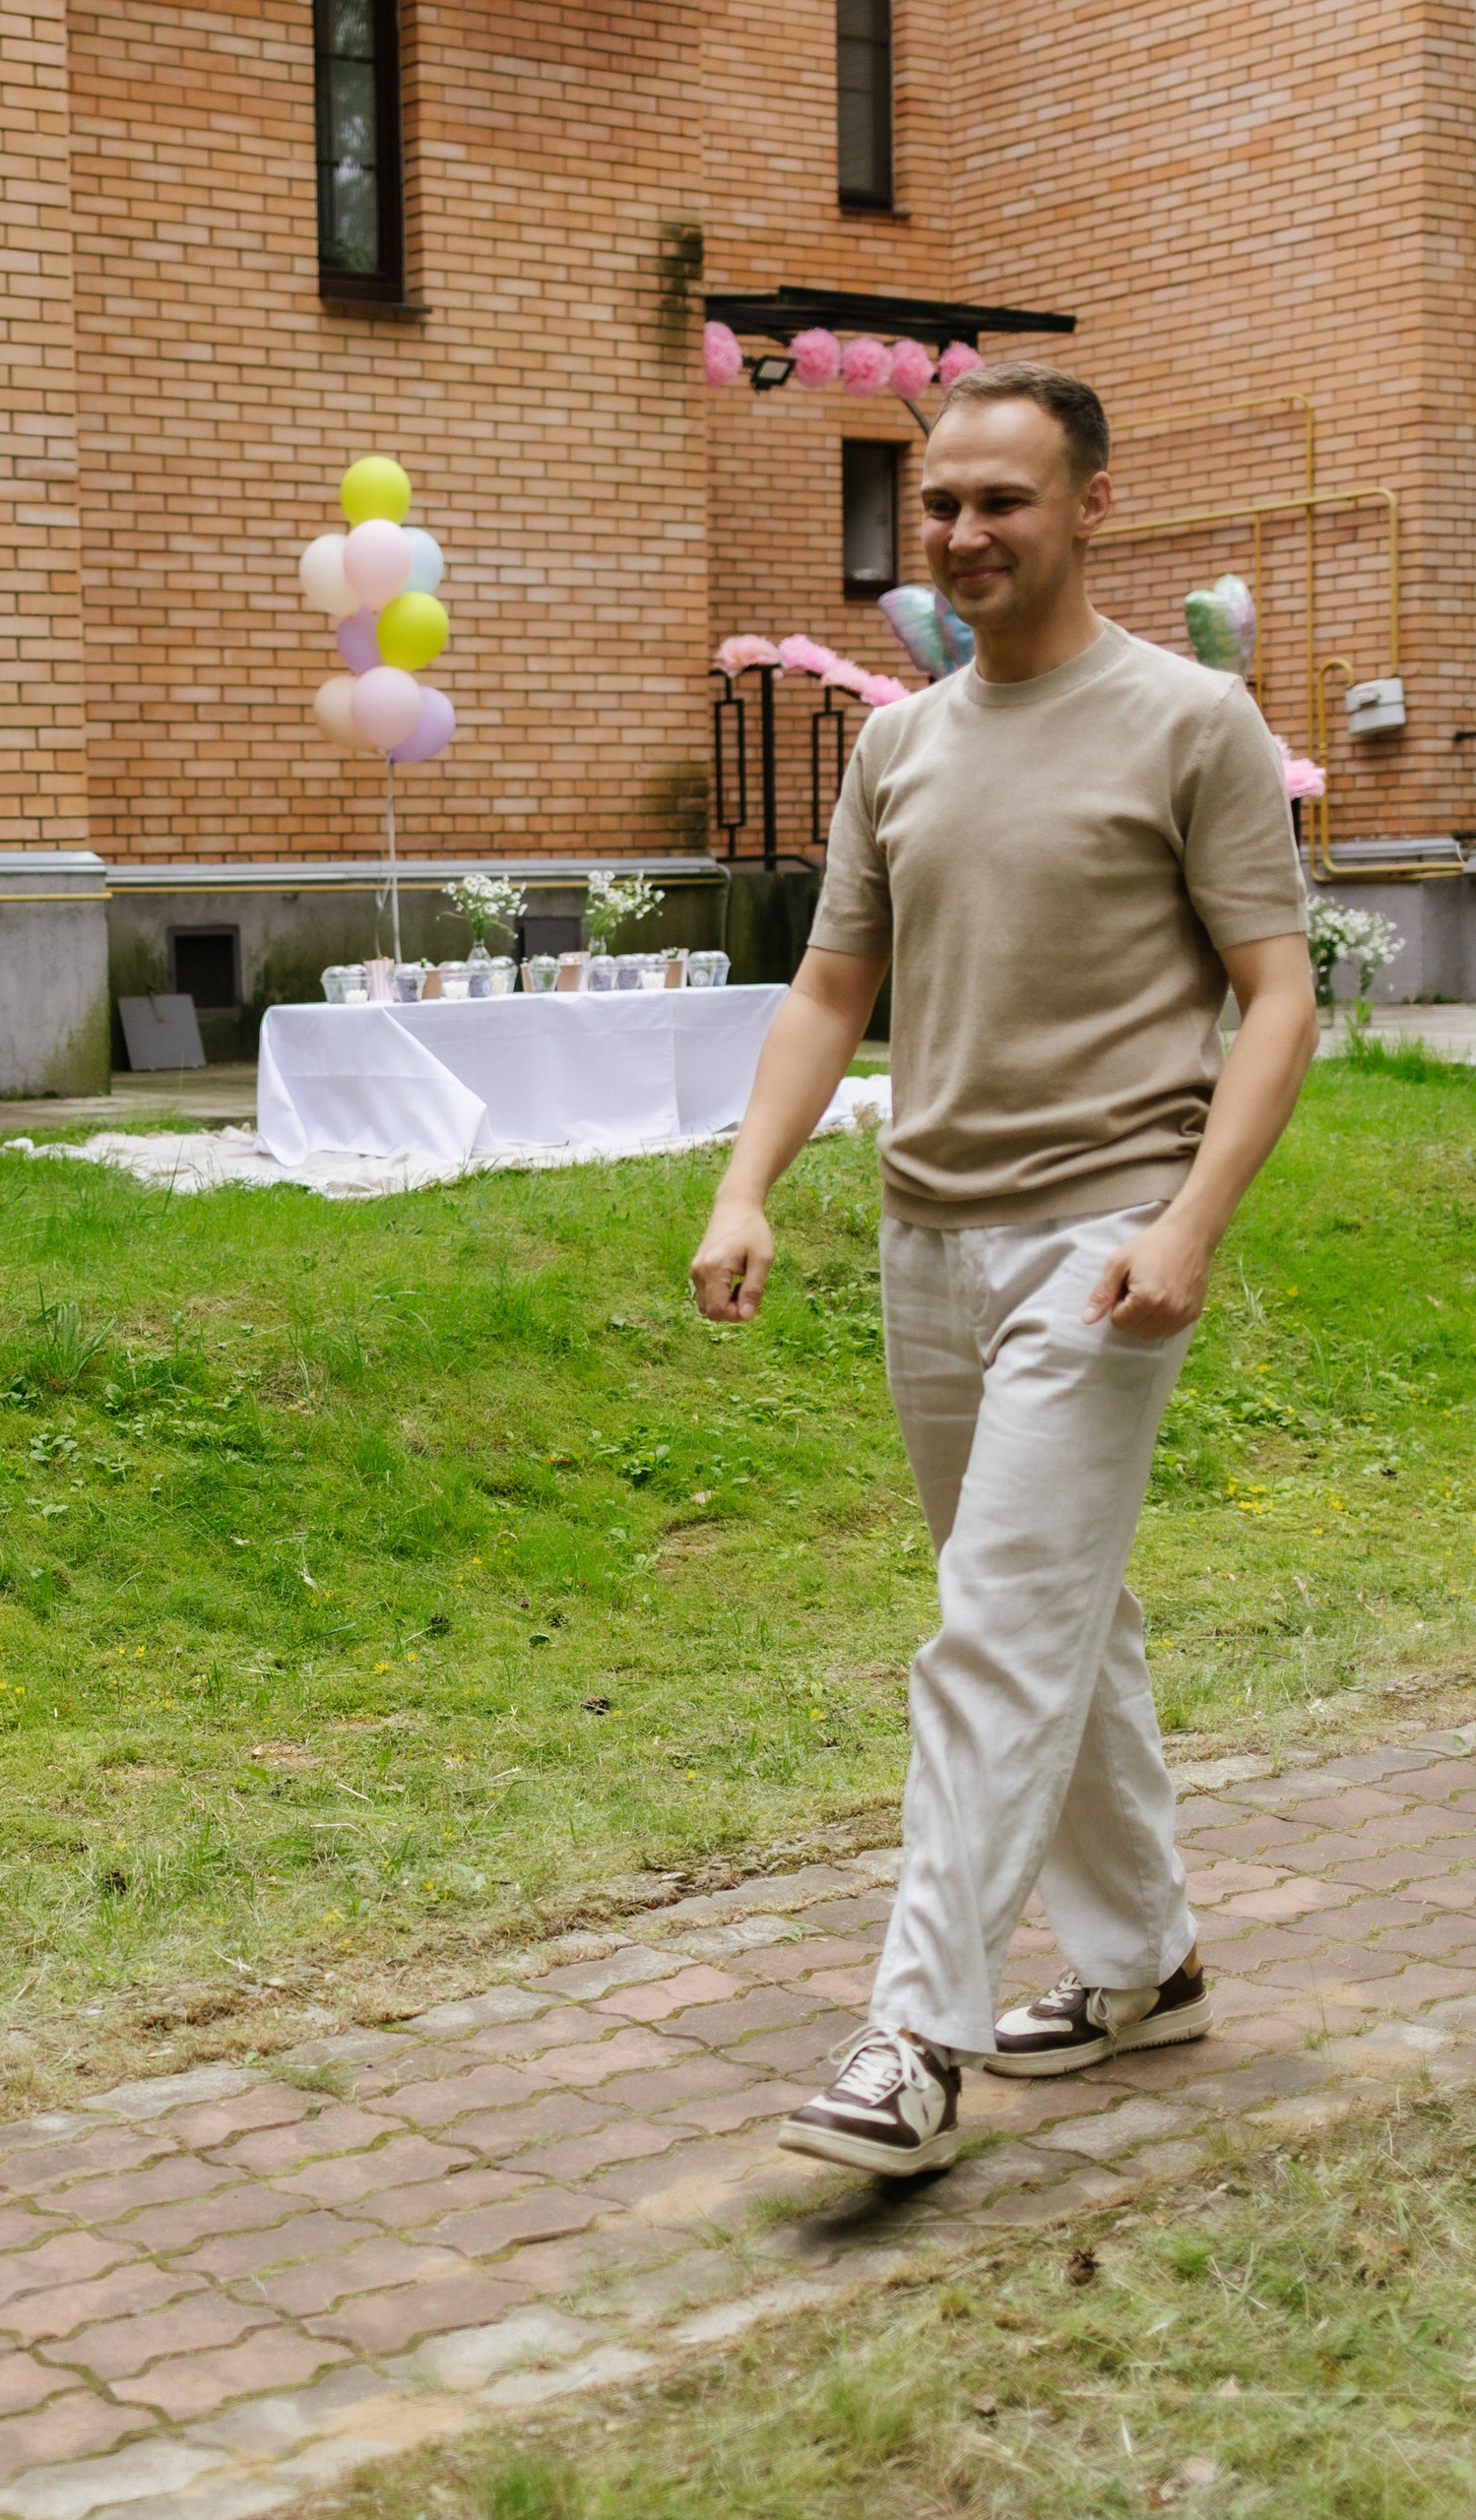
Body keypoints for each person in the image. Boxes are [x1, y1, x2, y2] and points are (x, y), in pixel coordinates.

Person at [687, 361, 1318, 2177]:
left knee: (991, 1636)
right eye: (937, 506)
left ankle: (913, 2039)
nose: (961, 535)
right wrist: (750, 1188)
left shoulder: (1189, 719)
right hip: (926, 1244)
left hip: (1102, 1244)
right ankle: (1147, 1966)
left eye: (1001, 503)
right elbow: (831, 988)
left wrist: (1189, 1222)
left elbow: (1276, 999)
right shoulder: (899, 742)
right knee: (1059, 1616)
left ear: (1092, 506)